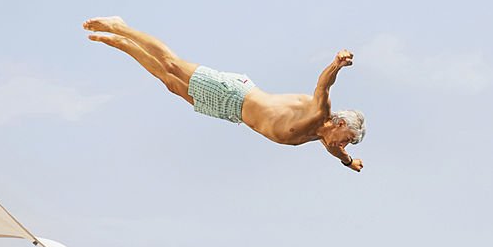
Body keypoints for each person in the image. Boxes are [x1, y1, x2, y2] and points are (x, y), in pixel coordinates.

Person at [83, 17, 366, 171]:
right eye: (348, 140)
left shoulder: (328, 142)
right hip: (234, 94)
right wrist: (337, 63)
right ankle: (120, 27)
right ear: (341, 124)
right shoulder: (320, 112)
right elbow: (323, 85)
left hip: (231, 113)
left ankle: (120, 44)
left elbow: (338, 156)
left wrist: (349, 162)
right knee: (172, 65)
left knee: (169, 83)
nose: (346, 146)